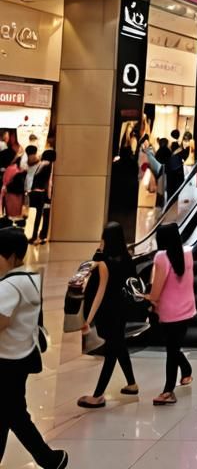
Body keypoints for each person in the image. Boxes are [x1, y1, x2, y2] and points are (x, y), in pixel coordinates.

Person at [0, 228, 68, 469]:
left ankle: (50, 459)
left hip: (7, 360)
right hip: (21, 355)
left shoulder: (10, 286)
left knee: (14, 414)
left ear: (10, 256)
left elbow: (1, 322)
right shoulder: (28, 277)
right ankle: (49, 459)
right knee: (8, 412)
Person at [77, 222, 138, 407]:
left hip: (108, 312)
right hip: (122, 309)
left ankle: (97, 396)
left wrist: (88, 319)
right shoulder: (127, 258)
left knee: (111, 352)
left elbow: (100, 293)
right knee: (119, 346)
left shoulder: (105, 264)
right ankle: (132, 384)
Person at [145, 224, 196, 405]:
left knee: (171, 349)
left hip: (168, 311)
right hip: (187, 308)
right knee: (172, 347)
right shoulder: (188, 252)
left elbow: (156, 291)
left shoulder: (161, 257)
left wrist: (148, 298)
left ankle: (168, 391)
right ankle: (186, 370)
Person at [24, 148, 53, 245]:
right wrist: (48, 196)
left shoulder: (42, 164)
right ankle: (40, 236)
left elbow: (36, 178)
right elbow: (48, 182)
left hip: (36, 192)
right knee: (41, 216)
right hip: (42, 193)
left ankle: (35, 236)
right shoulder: (49, 165)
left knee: (37, 216)